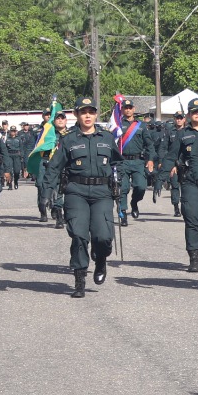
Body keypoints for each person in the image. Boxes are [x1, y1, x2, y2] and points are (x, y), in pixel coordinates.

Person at [44, 96, 121, 298]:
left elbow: (117, 165)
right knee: (78, 235)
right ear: (76, 115)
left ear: (96, 114)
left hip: (102, 193)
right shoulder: (68, 139)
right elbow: (54, 167)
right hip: (76, 190)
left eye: (91, 112)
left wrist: (122, 185)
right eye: (83, 112)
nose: (88, 116)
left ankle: (101, 260)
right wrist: (46, 192)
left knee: (103, 236)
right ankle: (79, 281)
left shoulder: (106, 138)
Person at [172, 98, 198, 275]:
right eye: (194, 112)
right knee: (192, 220)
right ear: (189, 115)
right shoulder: (182, 134)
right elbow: (173, 155)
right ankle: (194, 258)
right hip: (190, 180)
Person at [113, 99, 151, 225]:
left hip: (138, 161)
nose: (128, 110)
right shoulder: (117, 125)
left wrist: (150, 159)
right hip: (122, 161)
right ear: (122, 109)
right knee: (122, 188)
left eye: (130, 107)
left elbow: (149, 145)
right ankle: (122, 213)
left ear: (134, 109)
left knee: (140, 186)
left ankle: (134, 202)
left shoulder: (141, 126)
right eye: (125, 108)